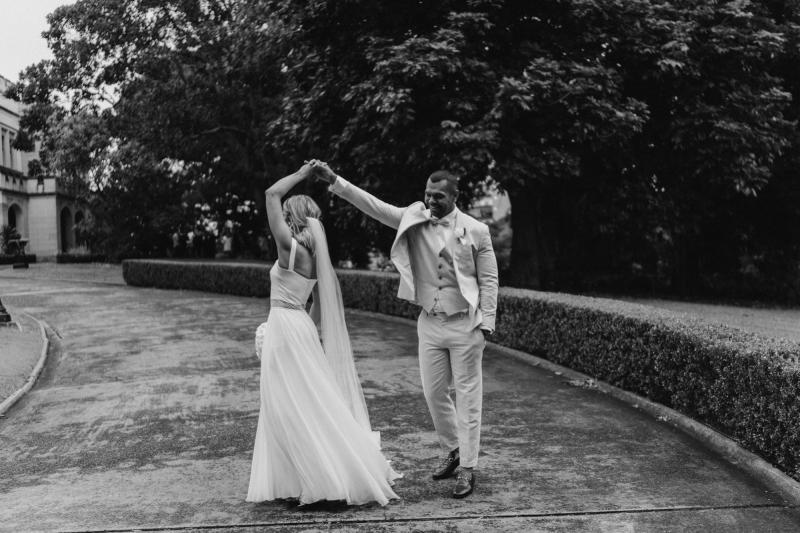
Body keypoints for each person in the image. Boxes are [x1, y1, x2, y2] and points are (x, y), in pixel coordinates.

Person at [312, 162, 499, 499]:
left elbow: (488, 279)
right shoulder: (414, 217)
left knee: (469, 397)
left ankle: (468, 468)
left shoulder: (477, 230)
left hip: (464, 325)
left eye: (439, 196)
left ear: (455, 196)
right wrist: (336, 181)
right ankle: (453, 449)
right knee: (433, 392)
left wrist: (486, 323)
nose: (431, 200)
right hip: (429, 322)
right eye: (428, 194)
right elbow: (374, 206)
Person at [247, 162, 401, 506]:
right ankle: (318, 471)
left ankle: (318, 478)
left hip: (286, 325)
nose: (282, 221)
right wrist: (305, 333)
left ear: (293, 217)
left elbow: (272, 192)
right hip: (299, 324)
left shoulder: (289, 248)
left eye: (287, 216)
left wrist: (303, 173)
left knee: (287, 405)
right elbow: (317, 302)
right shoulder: (316, 258)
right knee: (309, 400)